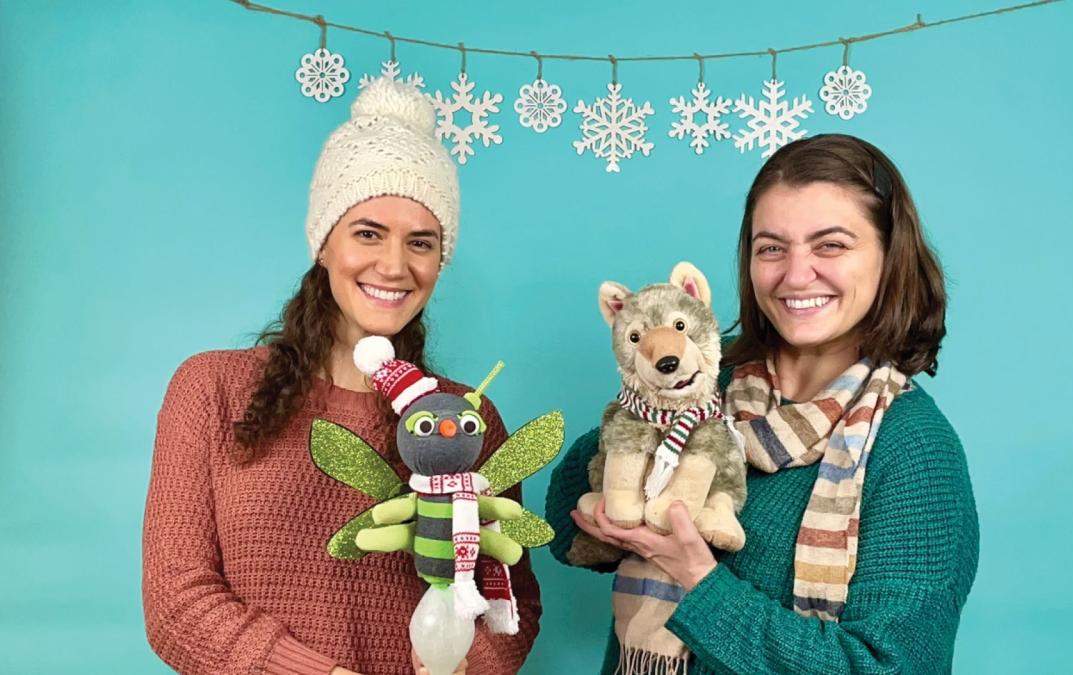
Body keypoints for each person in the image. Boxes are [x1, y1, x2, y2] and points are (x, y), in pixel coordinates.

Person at [142, 78, 540, 675]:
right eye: (368, 232)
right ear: (324, 243)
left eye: (421, 242)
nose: (394, 265)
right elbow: (176, 602)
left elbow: (514, 600)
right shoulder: (211, 390)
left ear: (439, 260)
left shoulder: (464, 417)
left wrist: (470, 667)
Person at [546, 134, 979, 673]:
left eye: (831, 245)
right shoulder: (707, 371)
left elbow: (890, 667)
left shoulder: (915, 450)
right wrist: (647, 419)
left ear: (890, 257)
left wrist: (699, 580)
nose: (795, 276)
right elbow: (563, 529)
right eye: (771, 247)